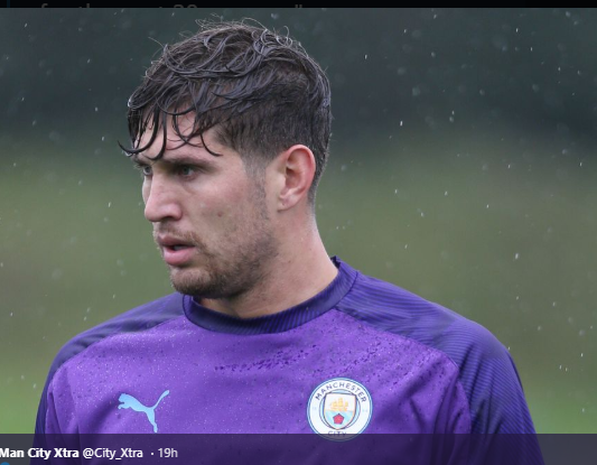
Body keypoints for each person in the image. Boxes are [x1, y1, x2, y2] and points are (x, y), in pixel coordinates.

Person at [34, 19, 543, 464]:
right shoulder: (87, 378)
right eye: (148, 172)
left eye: (187, 169)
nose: (154, 205)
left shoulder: (451, 370)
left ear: (290, 177)